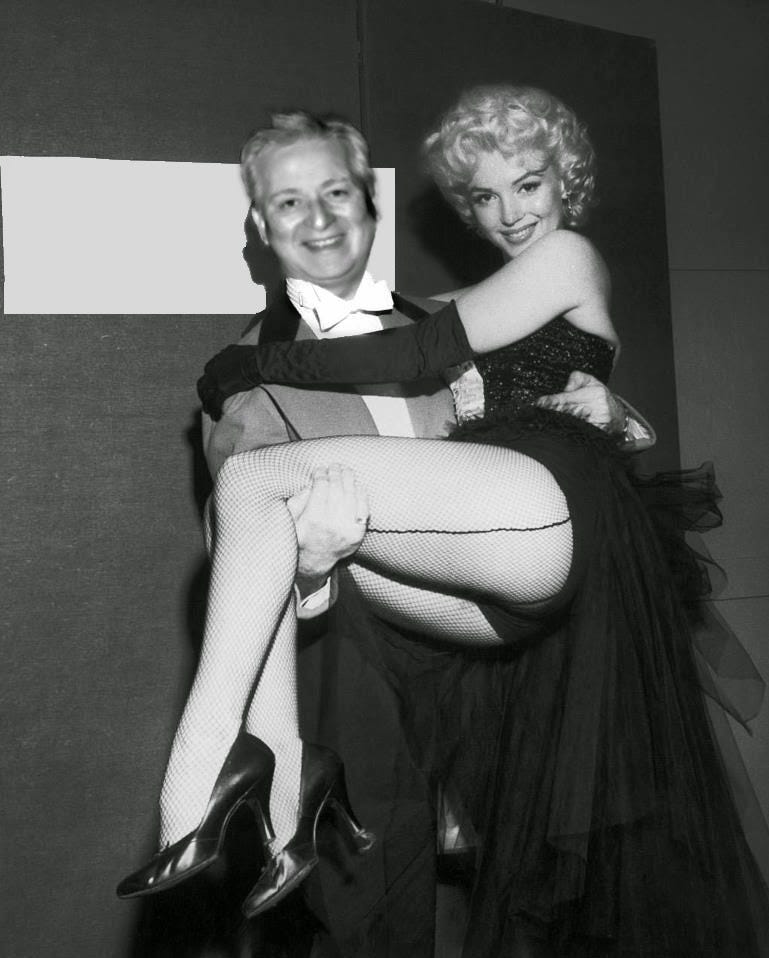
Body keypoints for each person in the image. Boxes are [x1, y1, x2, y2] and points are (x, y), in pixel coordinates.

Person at [122, 90, 769, 955]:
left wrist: (253, 361)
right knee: (254, 507)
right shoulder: (436, 304)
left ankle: (202, 774)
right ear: (262, 231)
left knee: (253, 482)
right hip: (479, 615)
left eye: (528, 185)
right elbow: (432, 338)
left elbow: (422, 354)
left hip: (542, 519)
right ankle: (285, 782)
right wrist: (310, 555)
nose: (510, 213)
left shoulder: (559, 258)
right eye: (486, 197)